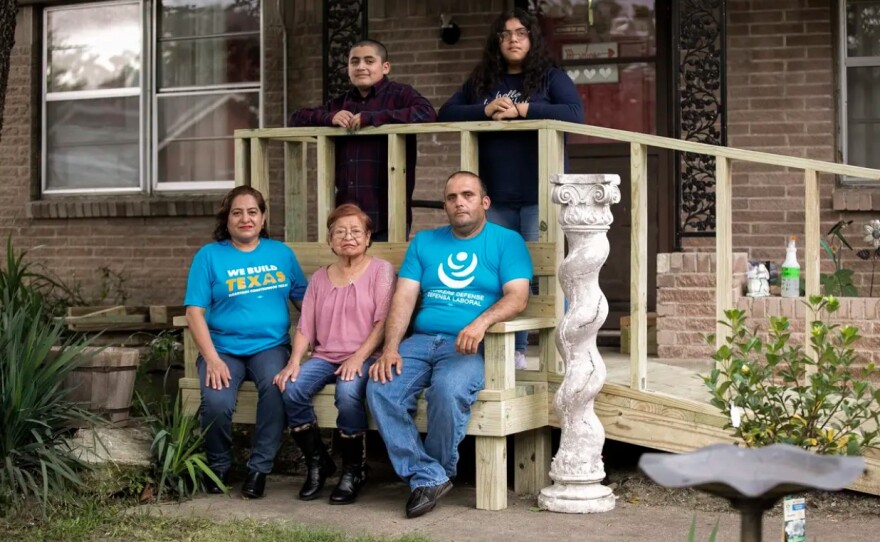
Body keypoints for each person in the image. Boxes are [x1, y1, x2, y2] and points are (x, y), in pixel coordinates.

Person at [366, 171, 532, 519]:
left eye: (468, 195)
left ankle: (430, 475)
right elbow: (404, 298)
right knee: (381, 386)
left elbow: (517, 298)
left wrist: (480, 323)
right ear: (444, 205)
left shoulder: (507, 241)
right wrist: (391, 347)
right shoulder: (425, 242)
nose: (460, 202)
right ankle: (430, 475)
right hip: (421, 341)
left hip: (469, 345)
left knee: (448, 390)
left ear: (484, 202)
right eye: (453, 197)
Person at [437, 8, 583, 367]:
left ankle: (562, 356)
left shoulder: (550, 78)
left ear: (532, 39)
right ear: (496, 42)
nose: (513, 39)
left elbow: (575, 113)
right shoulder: (483, 81)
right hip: (495, 198)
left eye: (520, 33)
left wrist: (523, 110)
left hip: (540, 196)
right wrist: (484, 111)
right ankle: (516, 353)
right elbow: (445, 113)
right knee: (505, 276)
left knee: (543, 276)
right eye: (505, 34)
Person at [184, 185, 308, 499]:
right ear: (226, 219)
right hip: (222, 348)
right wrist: (211, 359)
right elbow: (194, 313)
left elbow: (305, 303)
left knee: (277, 387)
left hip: (270, 347)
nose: (245, 219)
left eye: (252, 212)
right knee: (217, 401)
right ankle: (220, 465)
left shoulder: (281, 254)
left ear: (262, 217)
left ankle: (259, 469)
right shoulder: (209, 256)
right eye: (237, 212)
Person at [273, 204, 395, 505]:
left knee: (349, 390)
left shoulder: (381, 271)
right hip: (325, 356)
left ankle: (354, 470)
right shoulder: (319, 278)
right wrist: (293, 362)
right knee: (291, 387)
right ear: (330, 240)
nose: (348, 237)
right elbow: (305, 327)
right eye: (340, 232)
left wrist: (357, 358)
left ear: (368, 238)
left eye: (356, 231)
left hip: (366, 355)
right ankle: (317, 462)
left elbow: (383, 324)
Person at [288, 39, 437, 241]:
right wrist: (328, 118)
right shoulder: (342, 102)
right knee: (347, 271)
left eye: (369, 61)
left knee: (386, 271)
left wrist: (373, 118)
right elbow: (296, 118)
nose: (361, 67)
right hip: (345, 214)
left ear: (385, 67)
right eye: (354, 62)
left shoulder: (401, 94)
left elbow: (427, 113)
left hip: (388, 213)